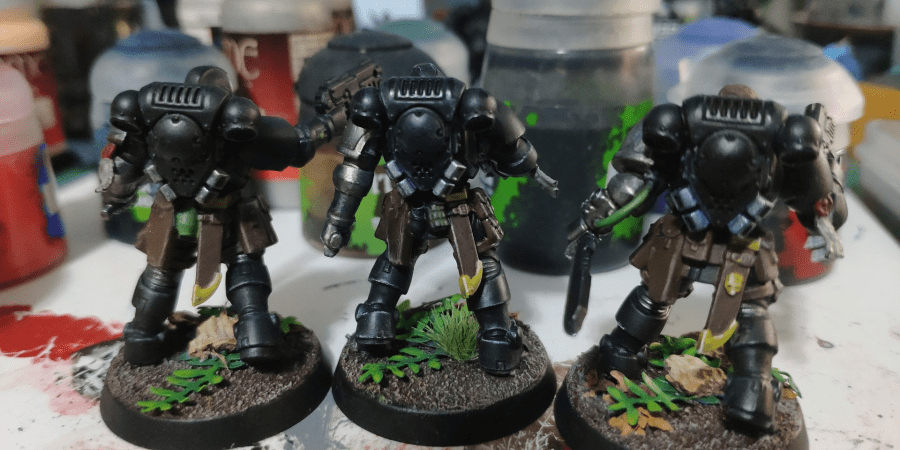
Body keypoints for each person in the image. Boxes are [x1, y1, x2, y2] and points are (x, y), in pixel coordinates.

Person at [566, 84, 847, 431]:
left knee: (748, 310)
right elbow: (634, 181)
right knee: (657, 297)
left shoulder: (780, 142)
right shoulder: (679, 130)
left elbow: (818, 198)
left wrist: (824, 216)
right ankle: (621, 355)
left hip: (739, 244)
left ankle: (751, 386)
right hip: (689, 234)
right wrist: (603, 211)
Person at [98, 65, 359, 366]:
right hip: (225, 213)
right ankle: (257, 335)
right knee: (244, 267)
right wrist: (330, 122)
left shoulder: (149, 120)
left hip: (173, 214)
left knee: (159, 275)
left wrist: (114, 199)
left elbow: (123, 166)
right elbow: (299, 145)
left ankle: (141, 340)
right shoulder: (234, 129)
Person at [321, 63, 558, 375]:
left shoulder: (386, 110)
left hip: (419, 207)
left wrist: (338, 221)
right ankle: (497, 338)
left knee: (398, 261)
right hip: (452, 208)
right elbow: (516, 152)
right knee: (477, 265)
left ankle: (375, 320)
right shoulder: (467, 109)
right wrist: (533, 169)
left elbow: (354, 171)